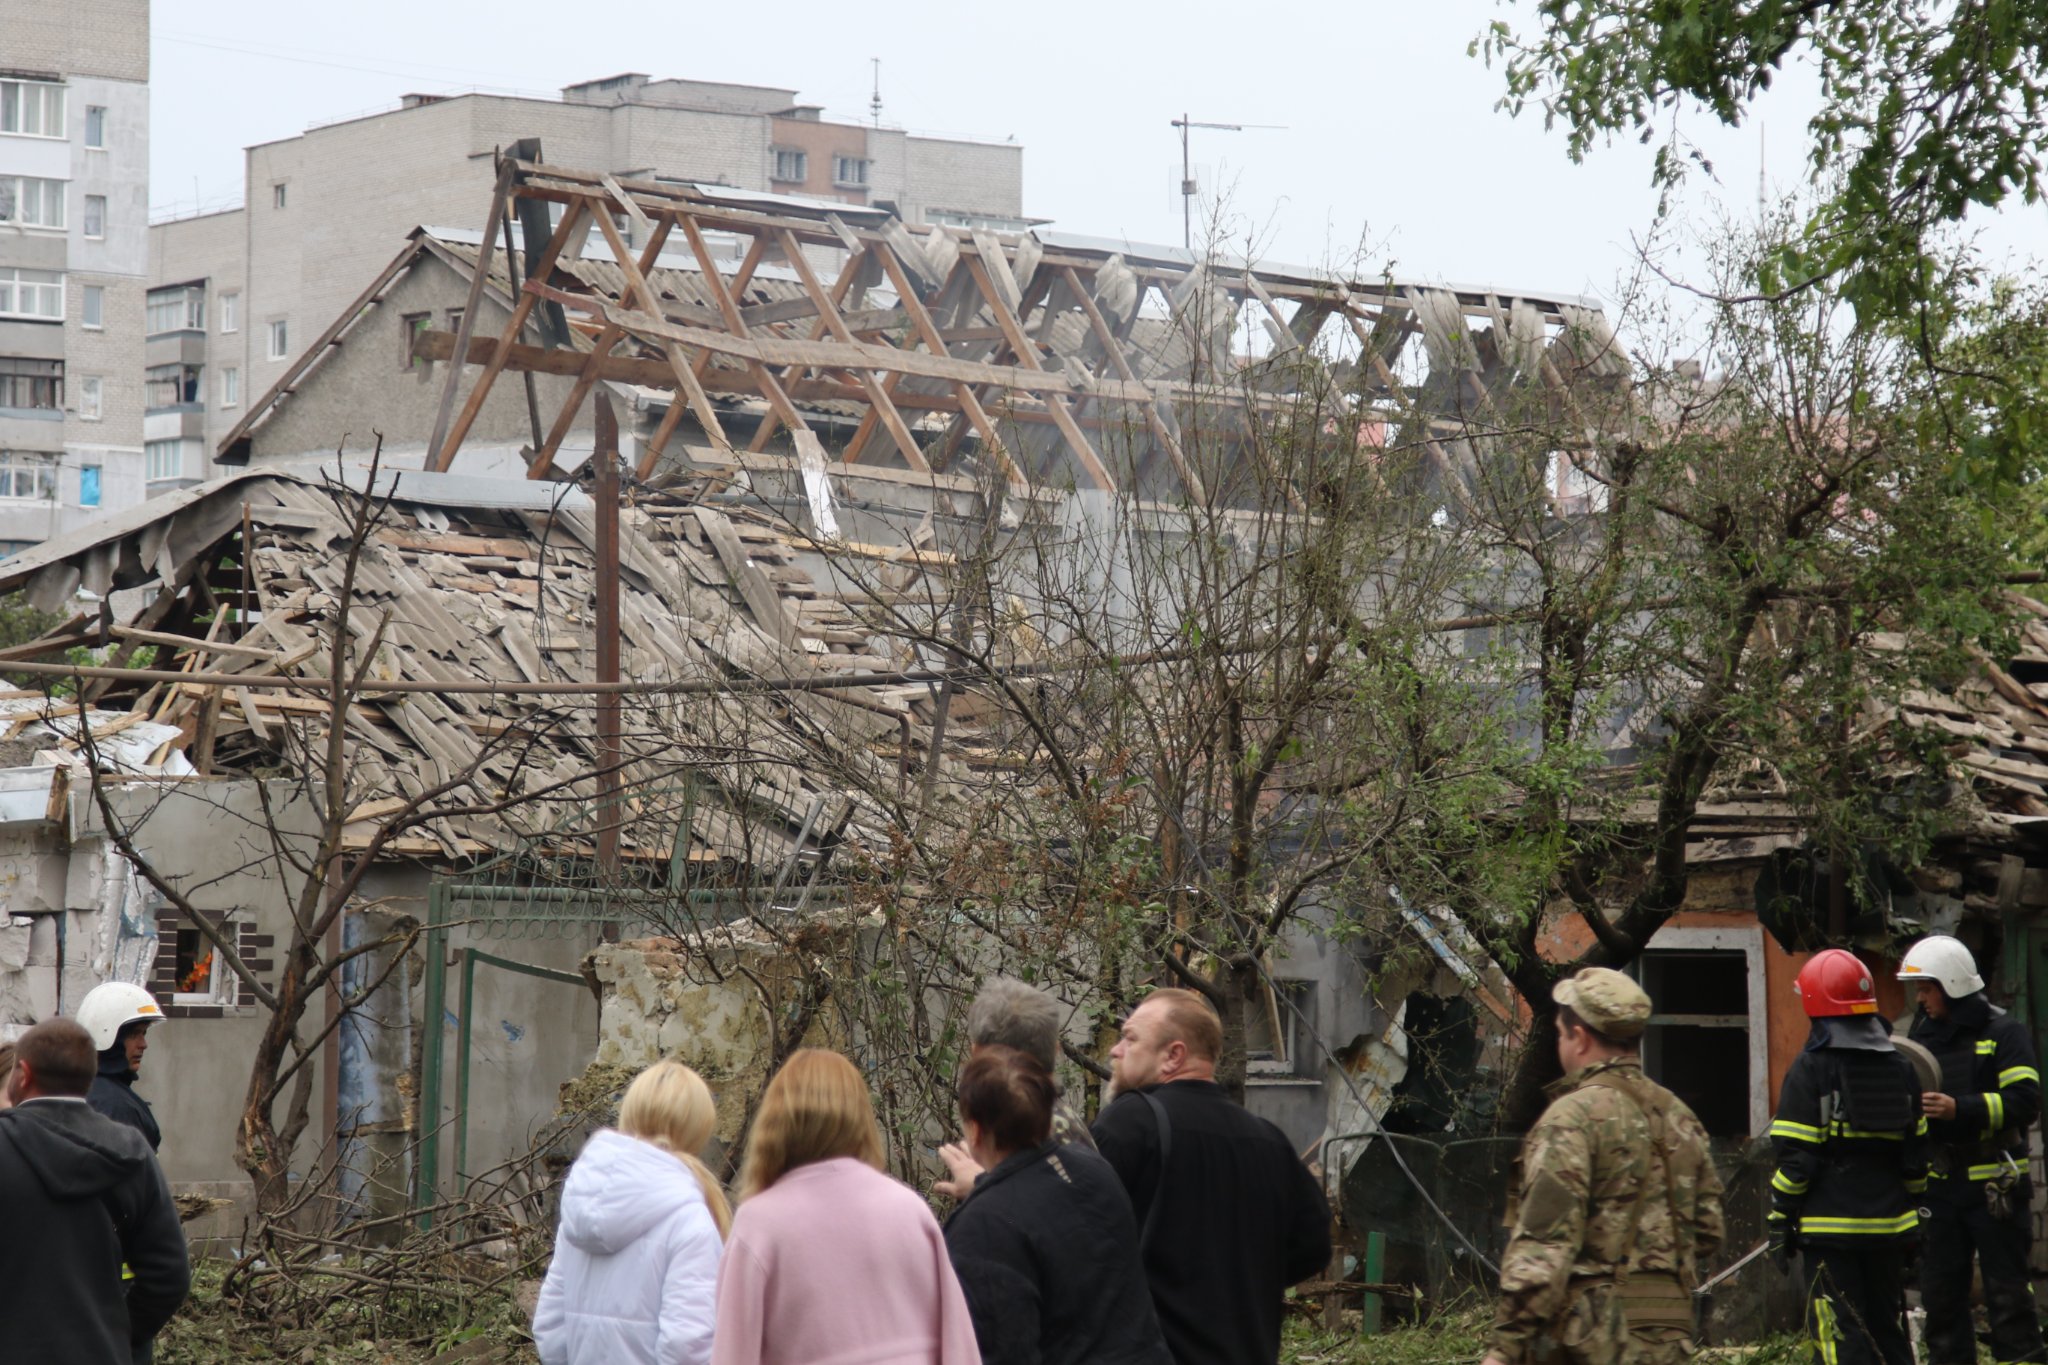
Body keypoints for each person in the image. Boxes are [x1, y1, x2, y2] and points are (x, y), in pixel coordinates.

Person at [1482, 968, 1724, 1365]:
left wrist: (1503, 1350)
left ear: (1579, 1038)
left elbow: (1543, 1250)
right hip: (1671, 1336)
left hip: (1595, 1339)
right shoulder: (1679, 1116)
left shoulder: (1571, 1118)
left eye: (1561, 1033)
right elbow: (1709, 1233)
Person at [1090, 987, 1331, 1365]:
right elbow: (1314, 1246)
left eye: (1130, 1038)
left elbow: (1073, 1236)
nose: (1115, 1050)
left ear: (1173, 1056)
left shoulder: (1128, 1125)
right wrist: (1245, 1284)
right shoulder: (1268, 1140)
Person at [710, 1049, 978, 1365]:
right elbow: (960, 1345)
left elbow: (733, 1353)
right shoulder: (908, 1209)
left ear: (776, 1121)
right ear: (860, 1116)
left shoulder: (760, 1224)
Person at [942, 1045, 1171, 1365]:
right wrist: (986, 1186)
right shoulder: (1095, 1172)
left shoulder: (980, 1229)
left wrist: (986, 1195)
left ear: (976, 1131)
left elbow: (1000, 1350)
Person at [0, 1017, 190, 1365]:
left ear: (23, 1074)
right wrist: (115, 1333)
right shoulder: (132, 1151)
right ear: (88, 1078)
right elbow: (169, 1276)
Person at [1768, 949, 1925, 1365]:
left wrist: (1779, 1218)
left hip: (1830, 1231)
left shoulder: (1812, 1068)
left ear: (1814, 1004)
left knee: (1839, 1331)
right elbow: (1915, 1157)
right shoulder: (1901, 1067)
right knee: (1885, 1330)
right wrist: (1912, 1210)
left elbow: (1797, 1159)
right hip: (1891, 1229)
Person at [1902, 934, 2046, 1365]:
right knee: (1942, 1300)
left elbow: (2025, 1101)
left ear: (1950, 985)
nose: (1921, 999)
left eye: (1927, 989)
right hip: (1941, 1189)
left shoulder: (2005, 1033)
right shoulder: (1923, 1035)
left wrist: (1958, 1108)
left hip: (1994, 1188)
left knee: (2009, 1299)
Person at [533, 1059, 732, 1365]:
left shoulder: (578, 1206)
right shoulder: (690, 1221)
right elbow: (688, 1347)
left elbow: (549, 1328)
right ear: (698, 1130)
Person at [935, 976, 1095, 1200]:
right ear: (1056, 1050)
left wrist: (984, 1188)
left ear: (977, 1054)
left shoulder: (1029, 1129)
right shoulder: (1061, 1121)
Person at [78, 981, 165, 1151]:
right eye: (134, 1034)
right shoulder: (116, 1106)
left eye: (144, 1033)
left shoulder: (78, 1087)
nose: (143, 1044)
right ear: (107, 1035)